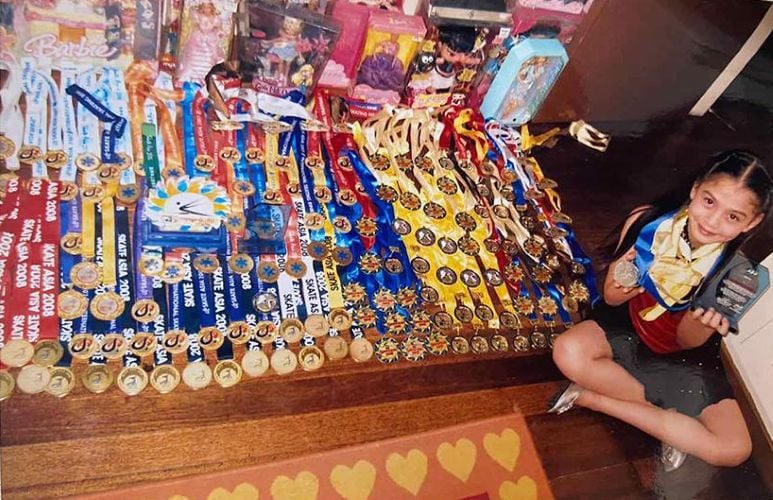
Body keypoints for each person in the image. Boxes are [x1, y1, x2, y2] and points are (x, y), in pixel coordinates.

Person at [548, 150, 772, 471]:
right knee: (567, 351)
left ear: (752, 223)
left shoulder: (736, 276)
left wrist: (698, 322)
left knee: (734, 449)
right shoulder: (647, 221)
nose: (712, 221)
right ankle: (671, 423)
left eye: (733, 217)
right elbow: (611, 300)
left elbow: (687, 343)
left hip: (678, 355)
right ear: (695, 190)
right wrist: (618, 285)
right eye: (709, 202)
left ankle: (596, 399)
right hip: (627, 324)